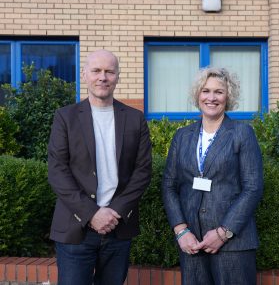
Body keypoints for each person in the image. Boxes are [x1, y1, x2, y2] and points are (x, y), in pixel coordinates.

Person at [48, 49, 152, 285]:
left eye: (109, 71)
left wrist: (114, 211)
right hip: (76, 230)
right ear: (84, 74)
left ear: (117, 76)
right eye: (96, 71)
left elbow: (142, 171)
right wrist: (92, 213)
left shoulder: (135, 119)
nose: (102, 77)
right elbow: (57, 171)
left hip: (118, 227)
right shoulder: (65, 117)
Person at [162, 67, 263, 285]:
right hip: (192, 243)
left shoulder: (242, 133)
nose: (211, 97)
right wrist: (181, 231)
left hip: (233, 244)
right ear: (197, 95)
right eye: (206, 91)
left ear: (229, 97)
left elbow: (253, 187)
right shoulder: (182, 136)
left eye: (219, 92)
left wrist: (223, 232)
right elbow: (169, 185)